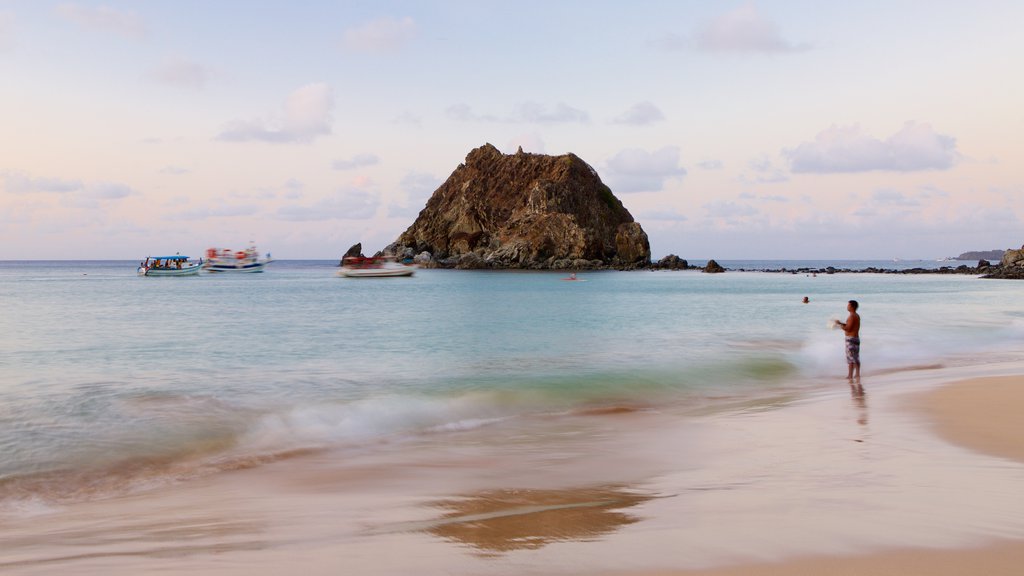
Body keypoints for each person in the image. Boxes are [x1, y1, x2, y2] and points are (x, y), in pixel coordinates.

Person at [834, 300, 861, 380]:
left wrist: (839, 325)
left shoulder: (851, 316)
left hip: (850, 339)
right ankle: (857, 374)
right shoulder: (856, 315)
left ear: (852, 306)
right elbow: (850, 326)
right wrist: (841, 323)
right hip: (856, 338)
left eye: (848, 305)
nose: (847, 306)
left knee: (850, 358)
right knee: (855, 357)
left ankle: (850, 375)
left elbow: (848, 329)